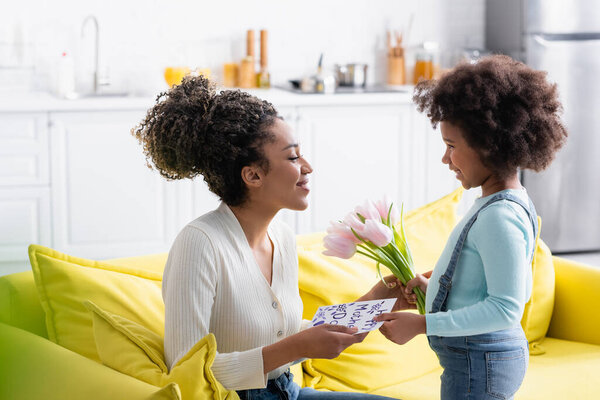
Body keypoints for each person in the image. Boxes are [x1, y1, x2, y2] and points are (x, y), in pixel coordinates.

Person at [132, 76, 401, 400]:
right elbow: (187, 371)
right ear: (253, 175)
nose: (308, 167)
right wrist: (295, 346)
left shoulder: (282, 238)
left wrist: (374, 299)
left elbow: (284, 337)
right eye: (292, 157)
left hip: (288, 391)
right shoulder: (199, 244)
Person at [373, 55, 568, 400]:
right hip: (479, 359)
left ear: (489, 146)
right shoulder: (501, 204)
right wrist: (433, 285)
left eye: (451, 147)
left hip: (480, 362)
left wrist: (423, 324)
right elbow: (486, 274)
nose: (445, 159)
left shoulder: (499, 216)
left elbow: (506, 306)